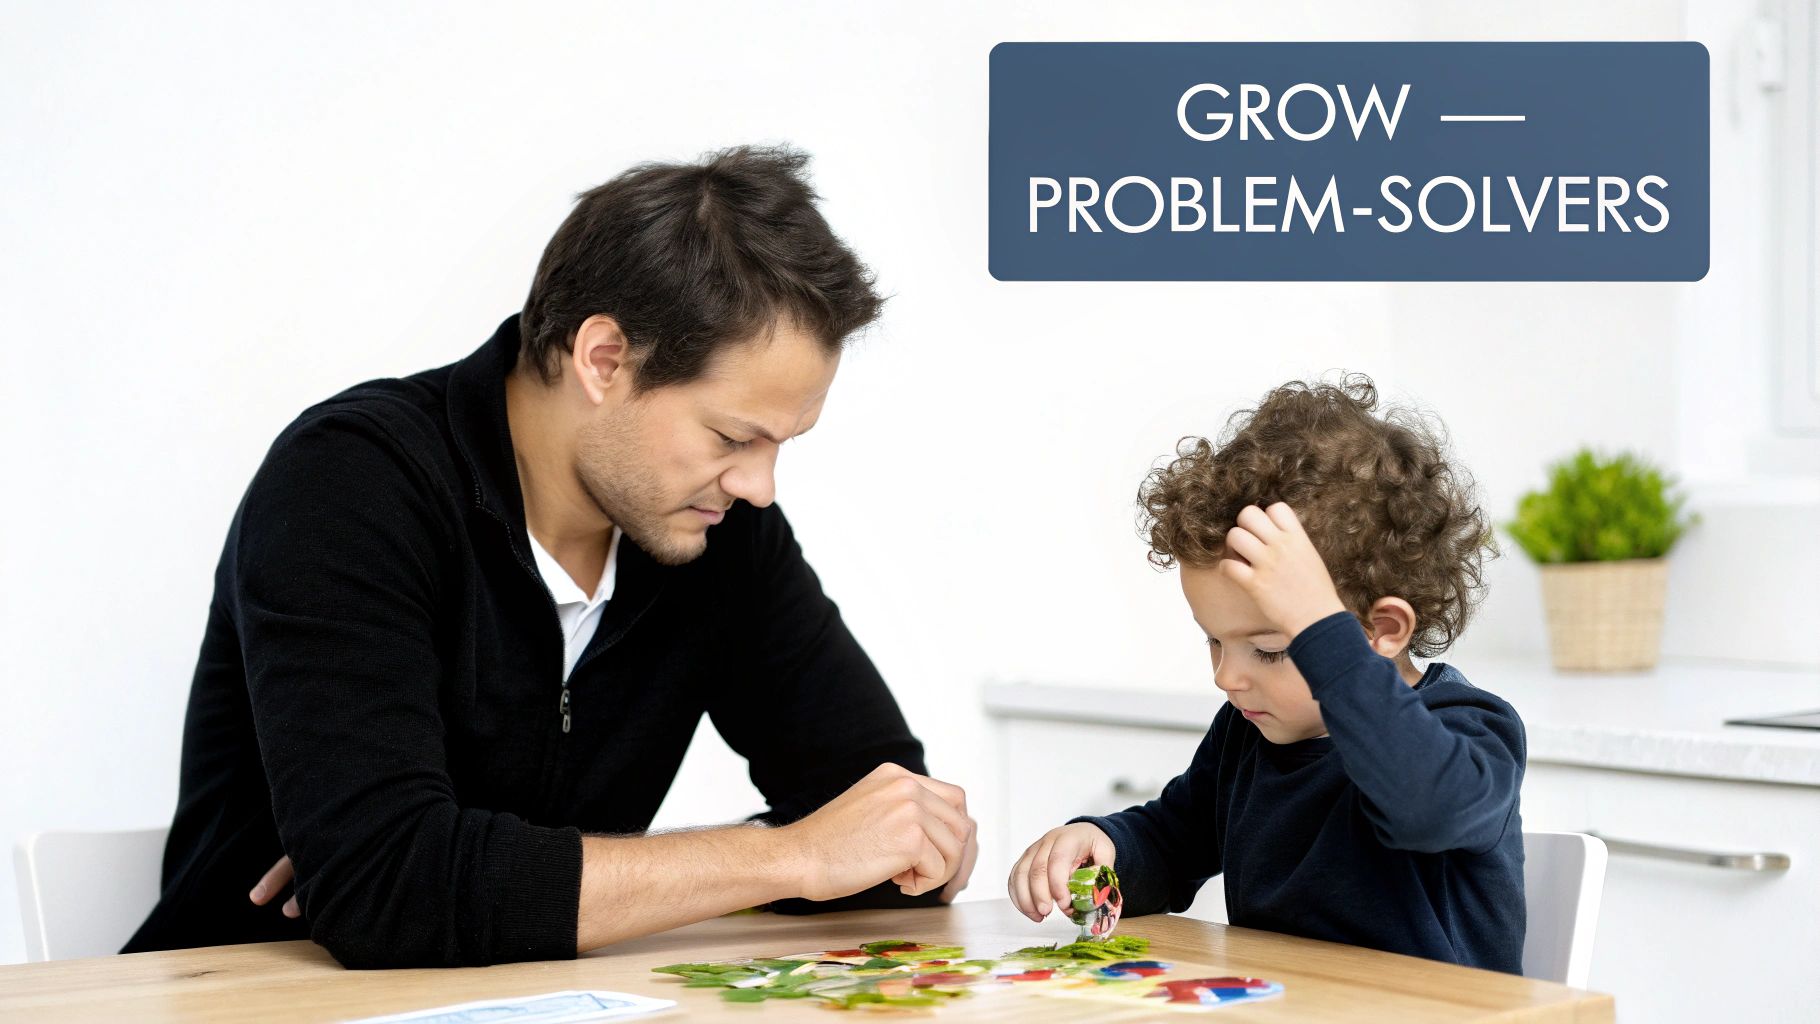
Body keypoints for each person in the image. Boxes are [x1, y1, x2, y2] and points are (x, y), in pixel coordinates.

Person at [124, 146, 977, 969]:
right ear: (603, 359)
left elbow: (897, 841)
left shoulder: (721, 535)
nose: (760, 486)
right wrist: (786, 856)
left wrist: (475, 876)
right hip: (254, 993)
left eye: (783, 443)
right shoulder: (350, 483)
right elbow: (388, 893)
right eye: (732, 436)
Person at [1007, 376, 1527, 973]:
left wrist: (1317, 624)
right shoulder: (1246, 734)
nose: (1227, 678)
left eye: (1274, 649)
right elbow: (1173, 843)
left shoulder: (1469, 728)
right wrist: (1105, 849)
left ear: (1381, 632)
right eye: (1214, 641)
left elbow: (1428, 807)